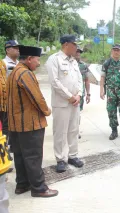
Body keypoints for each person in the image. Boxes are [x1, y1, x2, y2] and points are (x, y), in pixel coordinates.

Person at [7, 45, 58, 197]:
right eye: (37, 60)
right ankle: (39, 188)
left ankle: (22, 184)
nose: (38, 63)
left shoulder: (14, 72)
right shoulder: (25, 73)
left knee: (20, 156)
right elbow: (37, 97)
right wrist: (47, 111)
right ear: (29, 59)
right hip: (30, 124)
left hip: (16, 124)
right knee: (33, 157)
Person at [46, 35, 84, 173]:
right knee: (60, 132)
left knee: (74, 130)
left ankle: (73, 155)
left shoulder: (74, 61)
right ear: (67, 44)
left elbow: (79, 79)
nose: (77, 48)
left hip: (75, 102)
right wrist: (70, 97)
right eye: (75, 45)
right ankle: (60, 159)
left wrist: (79, 94)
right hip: (62, 103)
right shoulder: (54, 59)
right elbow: (54, 82)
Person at [100, 44, 120, 141]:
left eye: (118, 50)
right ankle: (114, 131)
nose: (116, 52)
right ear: (111, 51)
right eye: (114, 50)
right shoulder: (107, 63)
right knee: (111, 111)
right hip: (110, 92)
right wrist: (101, 90)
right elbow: (102, 77)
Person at [0, 40, 20, 173]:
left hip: (16, 103)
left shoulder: (19, 64)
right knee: (6, 129)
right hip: (5, 104)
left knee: (14, 129)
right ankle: (5, 158)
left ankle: (12, 149)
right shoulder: (3, 64)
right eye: (15, 48)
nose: (18, 50)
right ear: (8, 50)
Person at [75, 46, 90, 139]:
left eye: (79, 52)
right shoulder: (67, 64)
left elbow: (87, 80)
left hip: (80, 94)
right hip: (69, 94)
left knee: (77, 113)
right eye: (76, 51)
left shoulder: (83, 65)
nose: (78, 53)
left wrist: (88, 94)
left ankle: (76, 131)